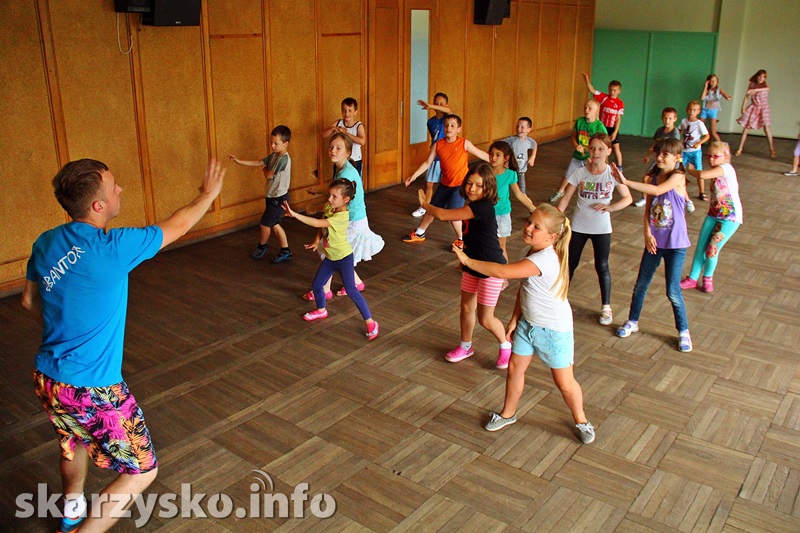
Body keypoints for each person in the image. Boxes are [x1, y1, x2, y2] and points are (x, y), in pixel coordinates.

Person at [22, 158, 225, 532]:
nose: (120, 189)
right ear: (98, 205)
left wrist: (64, 332)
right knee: (142, 471)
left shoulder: (46, 242)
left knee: (72, 440)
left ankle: (71, 512)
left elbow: (28, 301)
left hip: (48, 378)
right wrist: (208, 195)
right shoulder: (112, 247)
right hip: (92, 389)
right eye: (113, 186)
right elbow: (178, 224)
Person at [452, 205, 596, 444]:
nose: (528, 228)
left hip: (553, 331)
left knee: (564, 383)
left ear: (551, 237)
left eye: (536, 227)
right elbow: (526, 287)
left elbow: (501, 271)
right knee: (514, 369)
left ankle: (581, 420)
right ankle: (508, 414)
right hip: (528, 325)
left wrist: (468, 260)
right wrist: (515, 319)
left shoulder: (545, 258)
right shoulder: (535, 252)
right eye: (529, 222)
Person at [416, 163, 511, 367]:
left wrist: (425, 204)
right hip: (472, 264)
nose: (472, 189)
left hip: (490, 268)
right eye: (469, 183)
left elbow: (443, 215)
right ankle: (466, 346)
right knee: (467, 307)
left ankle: (505, 345)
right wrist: (465, 259)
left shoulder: (482, 207)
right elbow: (471, 236)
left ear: (488, 188)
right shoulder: (472, 205)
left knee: (486, 319)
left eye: (478, 185)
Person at [612, 138, 693, 353]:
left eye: (665, 154)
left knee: (672, 291)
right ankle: (633, 321)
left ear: (677, 158)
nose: (659, 157)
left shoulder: (678, 177)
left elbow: (658, 192)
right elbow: (648, 208)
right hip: (655, 242)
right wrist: (647, 233)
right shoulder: (651, 178)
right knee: (641, 284)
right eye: (658, 153)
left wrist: (625, 181)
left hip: (676, 244)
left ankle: (683, 331)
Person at [284, 179, 380, 340]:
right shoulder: (330, 207)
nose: (329, 199)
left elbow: (317, 223)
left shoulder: (342, 217)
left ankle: (371, 322)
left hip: (344, 259)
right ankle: (321, 310)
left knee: (351, 291)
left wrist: (294, 214)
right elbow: (323, 226)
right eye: (329, 195)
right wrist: (316, 241)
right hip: (330, 258)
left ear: (346, 199)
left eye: (334, 197)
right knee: (317, 285)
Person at [556, 133, 632, 326]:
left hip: (602, 229)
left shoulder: (612, 174)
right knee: (570, 264)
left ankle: (606, 307)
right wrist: (555, 219)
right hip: (579, 226)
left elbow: (628, 198)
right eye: (592, 148)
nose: (596, 152)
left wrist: (611, 207)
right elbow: (566, 198)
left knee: (602, 266)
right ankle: (559, 300)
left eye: (600, 149)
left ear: (608, 151)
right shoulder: (580, 172)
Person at [304, 132, 384, 299]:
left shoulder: (345, 173)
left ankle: (325, 290)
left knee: (330, 251)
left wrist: (316, 207)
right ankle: (355, 283)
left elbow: (338, 200)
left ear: (348, 152)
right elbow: (337, 193)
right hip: (352, 219)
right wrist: (320, 191)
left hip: (351, 221)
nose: (333, 151)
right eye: (331, 147)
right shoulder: (343, 169)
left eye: (338, 148)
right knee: (336, 253)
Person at [403, 114, 490, 249]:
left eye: (452, 126)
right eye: (446, 125)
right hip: (445, 184)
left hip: (460, 185)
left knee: (454, 214)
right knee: (432, 209)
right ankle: (419, 233)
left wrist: (497, 163)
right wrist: (414, 176)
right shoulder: (438, 145)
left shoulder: (464, 143)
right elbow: (427, 162)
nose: (449, 128)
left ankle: (462, 239)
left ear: (458, 129)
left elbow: (482, 154)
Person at [680, 141, 743, 293]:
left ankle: (708, 278)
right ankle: (692, 278)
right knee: (701, 247)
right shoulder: (717, 170)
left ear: (726, 157)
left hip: (729, 218)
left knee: (712, 249)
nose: (711, 159)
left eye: (716, 156)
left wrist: (690, 169)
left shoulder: (726, 168)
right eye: (709, 156)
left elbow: (702, 175)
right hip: (713, 215)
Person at [229, 125, 293, 263]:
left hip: (278, 199)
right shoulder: (274, 156)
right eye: (271, 142)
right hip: (272, 197)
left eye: (276, 143)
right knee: (274, 224)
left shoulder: (283, 159)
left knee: (265, 224)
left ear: (285, 143)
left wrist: (265, 169)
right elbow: (259, 162)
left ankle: (262, 246)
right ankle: (285, 251)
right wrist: (239, 161)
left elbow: (269, 174)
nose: (272, 146)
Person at [548, 99, 608, 203]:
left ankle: (593, 193)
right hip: (578, 155)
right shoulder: (580, 121)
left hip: (591, 157)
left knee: (592, 175)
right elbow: (574, 136)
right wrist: (576, 145)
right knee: (568, 174)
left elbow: (605, 143)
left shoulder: (599, 126)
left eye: (590, 108)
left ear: (596, 111)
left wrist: (597, 155)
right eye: (585, 108)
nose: (586, 110)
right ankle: (560, 191)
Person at [488, 140, 536, 260]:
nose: (493, 157)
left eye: (498, 155)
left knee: (500, 246)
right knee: (485, 243)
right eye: (491, 154)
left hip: (502, 214)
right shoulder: (485, 172)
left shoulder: (510, 174)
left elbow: (519, 194)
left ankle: (503, 271)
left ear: (506, 158)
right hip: (486, 213)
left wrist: (535, 210)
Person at [641, 107, 695, 213]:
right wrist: (648, 155)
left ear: (675, 119)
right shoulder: (659, 131)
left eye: (670, 118)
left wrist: (678, 162)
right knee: (647, 177)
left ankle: (688, 200)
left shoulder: (675, 133)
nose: (667, 121)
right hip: (660, 157)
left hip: (671, 159)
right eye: (665, 118)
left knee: (676, 181)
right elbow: (656, 145)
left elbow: (674, 149)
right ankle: (644, 198)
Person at [412, 93, 452, 217]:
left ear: (446, 105)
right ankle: (425, 206)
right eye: (436, 103)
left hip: (447, 157)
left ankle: (450, 208)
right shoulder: (431, 122)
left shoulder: (448, 119)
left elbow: (448, 111)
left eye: (441, 104)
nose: (438, 106)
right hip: (435, 156)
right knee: (429, 183)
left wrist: (430, 106)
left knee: (449, 184)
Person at [582, 73, 624, 169]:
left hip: (612, 128)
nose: (612, 92)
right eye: (610, 89)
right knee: (601, 146)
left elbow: (618, 118)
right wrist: (587, 80)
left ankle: (620, 167)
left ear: (619, 91)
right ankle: (603, 165)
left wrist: (615, 131)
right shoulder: (603, 97)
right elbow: (592, 90)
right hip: (602, 127)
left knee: (616, 147)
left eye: (614, 90)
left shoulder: (620, 103)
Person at [322, 97, 366, 174]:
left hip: (355, 160)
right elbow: (323, 135)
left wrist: (346, 133)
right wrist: (333, 129)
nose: (346, 113)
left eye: (350, 110)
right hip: (340, 160)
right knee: (338, 179)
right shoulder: (338, 122)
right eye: (344, 110)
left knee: (353, 180)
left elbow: (362, 141)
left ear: (355, 112)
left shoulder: (358, 125)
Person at [736, 70, 775, 157]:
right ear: (757, 76)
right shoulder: (752, 85)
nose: (761, 78)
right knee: (746, 127)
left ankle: (772, 149)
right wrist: (743, 107)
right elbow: (746, 96)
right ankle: (740, 148)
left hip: (764, 107)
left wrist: (756, 90)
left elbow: (767, 89)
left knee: (766, 127)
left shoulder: (765, 85)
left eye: (763, 77)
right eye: (760, 76)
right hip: (754, 107)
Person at [680, 100, 711, 201]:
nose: (691, 112)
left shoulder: (699, 123)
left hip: (695, 152)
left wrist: (698, 143)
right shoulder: (684, 121)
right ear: (686, 110)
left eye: (694, 110)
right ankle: (681, 187)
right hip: (684, 151)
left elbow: (707, 136)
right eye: (690, 109)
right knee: (679, 169)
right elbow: (679, 130)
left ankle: (702, 192)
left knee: (699, 171)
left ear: (698, 111)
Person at [502, 116, 538, 194]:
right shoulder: (511, 140)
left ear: (528, 130)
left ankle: (525, 199)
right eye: (517, 126)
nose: (519, 129)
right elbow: (499, 145)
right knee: (503, 188)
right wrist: (504, 160)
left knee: (522, 192)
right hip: (509, 170)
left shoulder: (529, 141)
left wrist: (533, 156)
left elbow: (535, 144)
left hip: (521, 171)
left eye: (522, 127)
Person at [700, 74, 732, 143]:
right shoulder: (707, 90)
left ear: (717, 81)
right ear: (708, 82)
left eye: (715, 81)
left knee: (713, 131)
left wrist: (727, 97)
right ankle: (704, 142)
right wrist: (705, 86)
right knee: (700, 126)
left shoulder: (719, 89)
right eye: (711, 81)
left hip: (713, 111)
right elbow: (702, 98)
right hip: (705, 110)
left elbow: (725, 94)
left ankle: (721, 146)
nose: (713, 82)